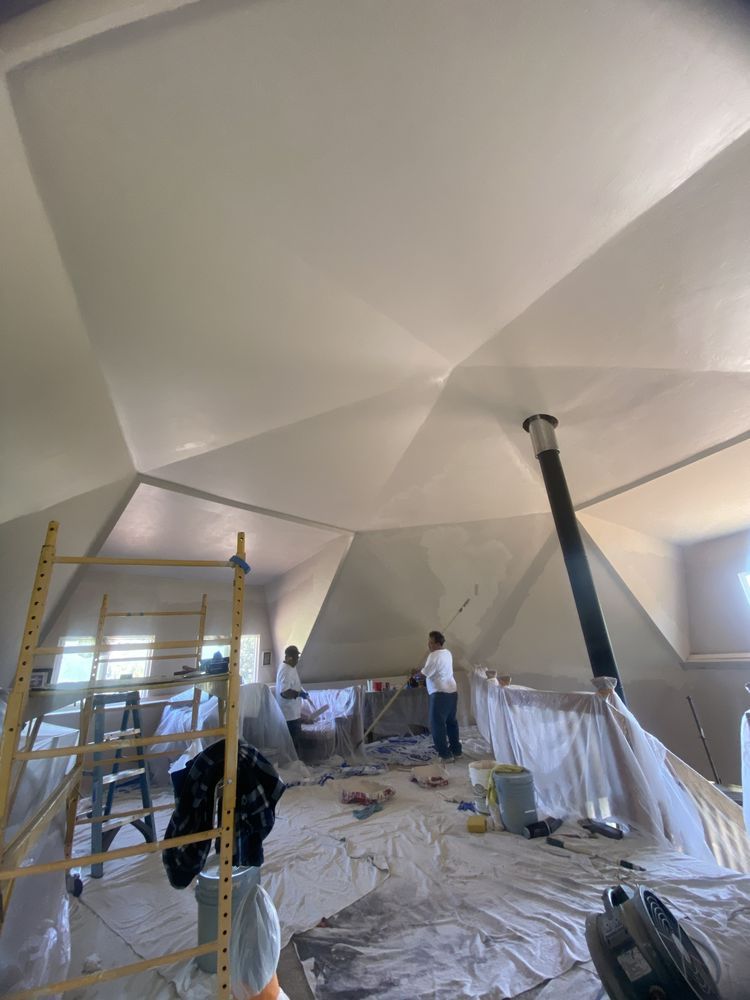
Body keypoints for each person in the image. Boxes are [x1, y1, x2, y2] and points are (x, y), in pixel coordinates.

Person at [413, 630, 462, 762]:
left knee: (437, 725)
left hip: (440, 694)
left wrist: (415, 675)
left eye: (430, 642)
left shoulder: (433, 656)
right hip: (452, 692)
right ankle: (456, 750)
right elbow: (435, 670)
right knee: (451, 722)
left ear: (435, 643)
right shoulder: (447, 653)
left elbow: (423, 675)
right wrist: (421, 672)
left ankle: (445, 755)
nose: (428, 645)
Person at [275, 645, 309, 753]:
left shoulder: (290, 667)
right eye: (296, 658)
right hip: (289, 715)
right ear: (289, 657)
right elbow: (284, 692)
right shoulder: (286, 670)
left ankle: (296, 765)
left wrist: (301, 691)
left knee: (295, 743)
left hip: (293, 713)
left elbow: (293, 685)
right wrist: (299, 694)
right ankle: (294, 766)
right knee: (293, 745)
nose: (297, 660)